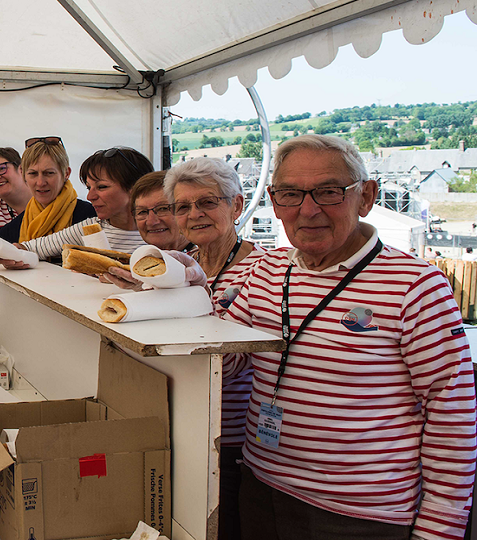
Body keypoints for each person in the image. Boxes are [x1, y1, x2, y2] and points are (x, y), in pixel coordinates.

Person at [221, 135, 475, 540]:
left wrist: (439, 529)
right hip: (261, 488)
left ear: (366, 196)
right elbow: (228, 361)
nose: (308, 210)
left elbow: (452, 415)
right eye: (290, 194)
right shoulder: (268, 271)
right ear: (273, 199)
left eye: (328, 191)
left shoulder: (415, 285)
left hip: (360, 515)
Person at [165, 157, 264, 539]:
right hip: (188, 428)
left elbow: (235, 357)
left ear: (236, 206)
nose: (195, 214)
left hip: (234, 440)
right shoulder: (182, 264)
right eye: (184, 206)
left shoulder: (263, 268)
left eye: (208, 202)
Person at [0, 146, 152, 267]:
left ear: (135, 187)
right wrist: (8, 252)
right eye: (89, 188)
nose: (90, 196)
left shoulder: (163, 230)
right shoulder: (91, 226)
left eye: (101, 187)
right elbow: (34, 246)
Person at [0, 137, 96, 249]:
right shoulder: (22, 221)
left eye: (49, 173)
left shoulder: (91, 216)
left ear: (66, 173)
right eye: (33, 174)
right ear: (23, 174)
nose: (40, 183)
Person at [129, 171, 192, 251]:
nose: (151, 222)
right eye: (142, 212)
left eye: (162, 209)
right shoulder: (140, 259)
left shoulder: (201, 261)